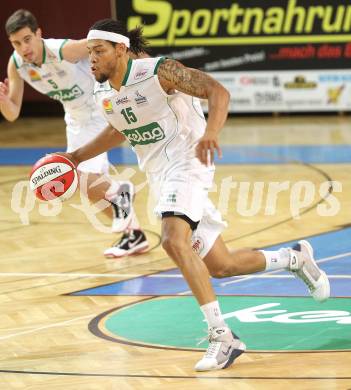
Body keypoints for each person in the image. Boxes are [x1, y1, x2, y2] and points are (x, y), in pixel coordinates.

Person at [59, 19, 330, 371]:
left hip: (189, 162)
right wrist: (76, 157)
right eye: (89, 53)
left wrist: (211, 132)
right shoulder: (102, 92)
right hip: (159, 176)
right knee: (221, 265)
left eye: (98, 52)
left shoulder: (160, 71)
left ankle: (223, 336)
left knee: (173, 240)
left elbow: (218, 91)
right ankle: (294, 259)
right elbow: (117, 130)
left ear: (121, 49)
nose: (90, 60)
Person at [0, 9, 149, 257]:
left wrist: (151, 66)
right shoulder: (16, 65)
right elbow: (13, 113)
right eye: (16, 43)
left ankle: (121, 192)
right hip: (76, 118)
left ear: (38, 34)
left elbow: (108, 44)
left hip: (100, 106)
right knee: (85, 185)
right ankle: (133, 234)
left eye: (27, 39)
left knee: (83, 176)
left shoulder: (62, 50)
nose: (24, 48)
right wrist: (3, 100)